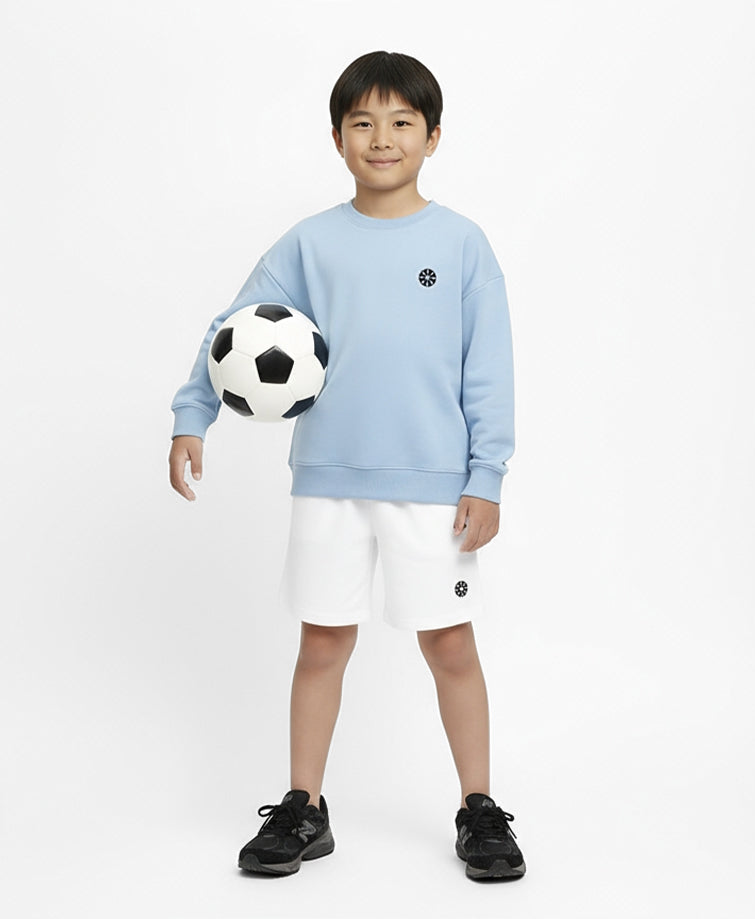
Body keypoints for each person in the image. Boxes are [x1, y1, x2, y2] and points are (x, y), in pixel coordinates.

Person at [168, 50, 525, 882]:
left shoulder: (461, 244)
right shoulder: (310, 242)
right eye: (362, 122)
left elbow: (489, 368)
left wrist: (486, 474)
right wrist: (195, 415)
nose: (381, 137)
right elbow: (235, 329)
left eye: (402, 121)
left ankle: (478, 806)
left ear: (433, 136)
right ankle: (305, 806)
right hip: (328, 479)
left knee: (449, 644)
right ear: (336, 136)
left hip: (433, 488)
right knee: (322, 642)